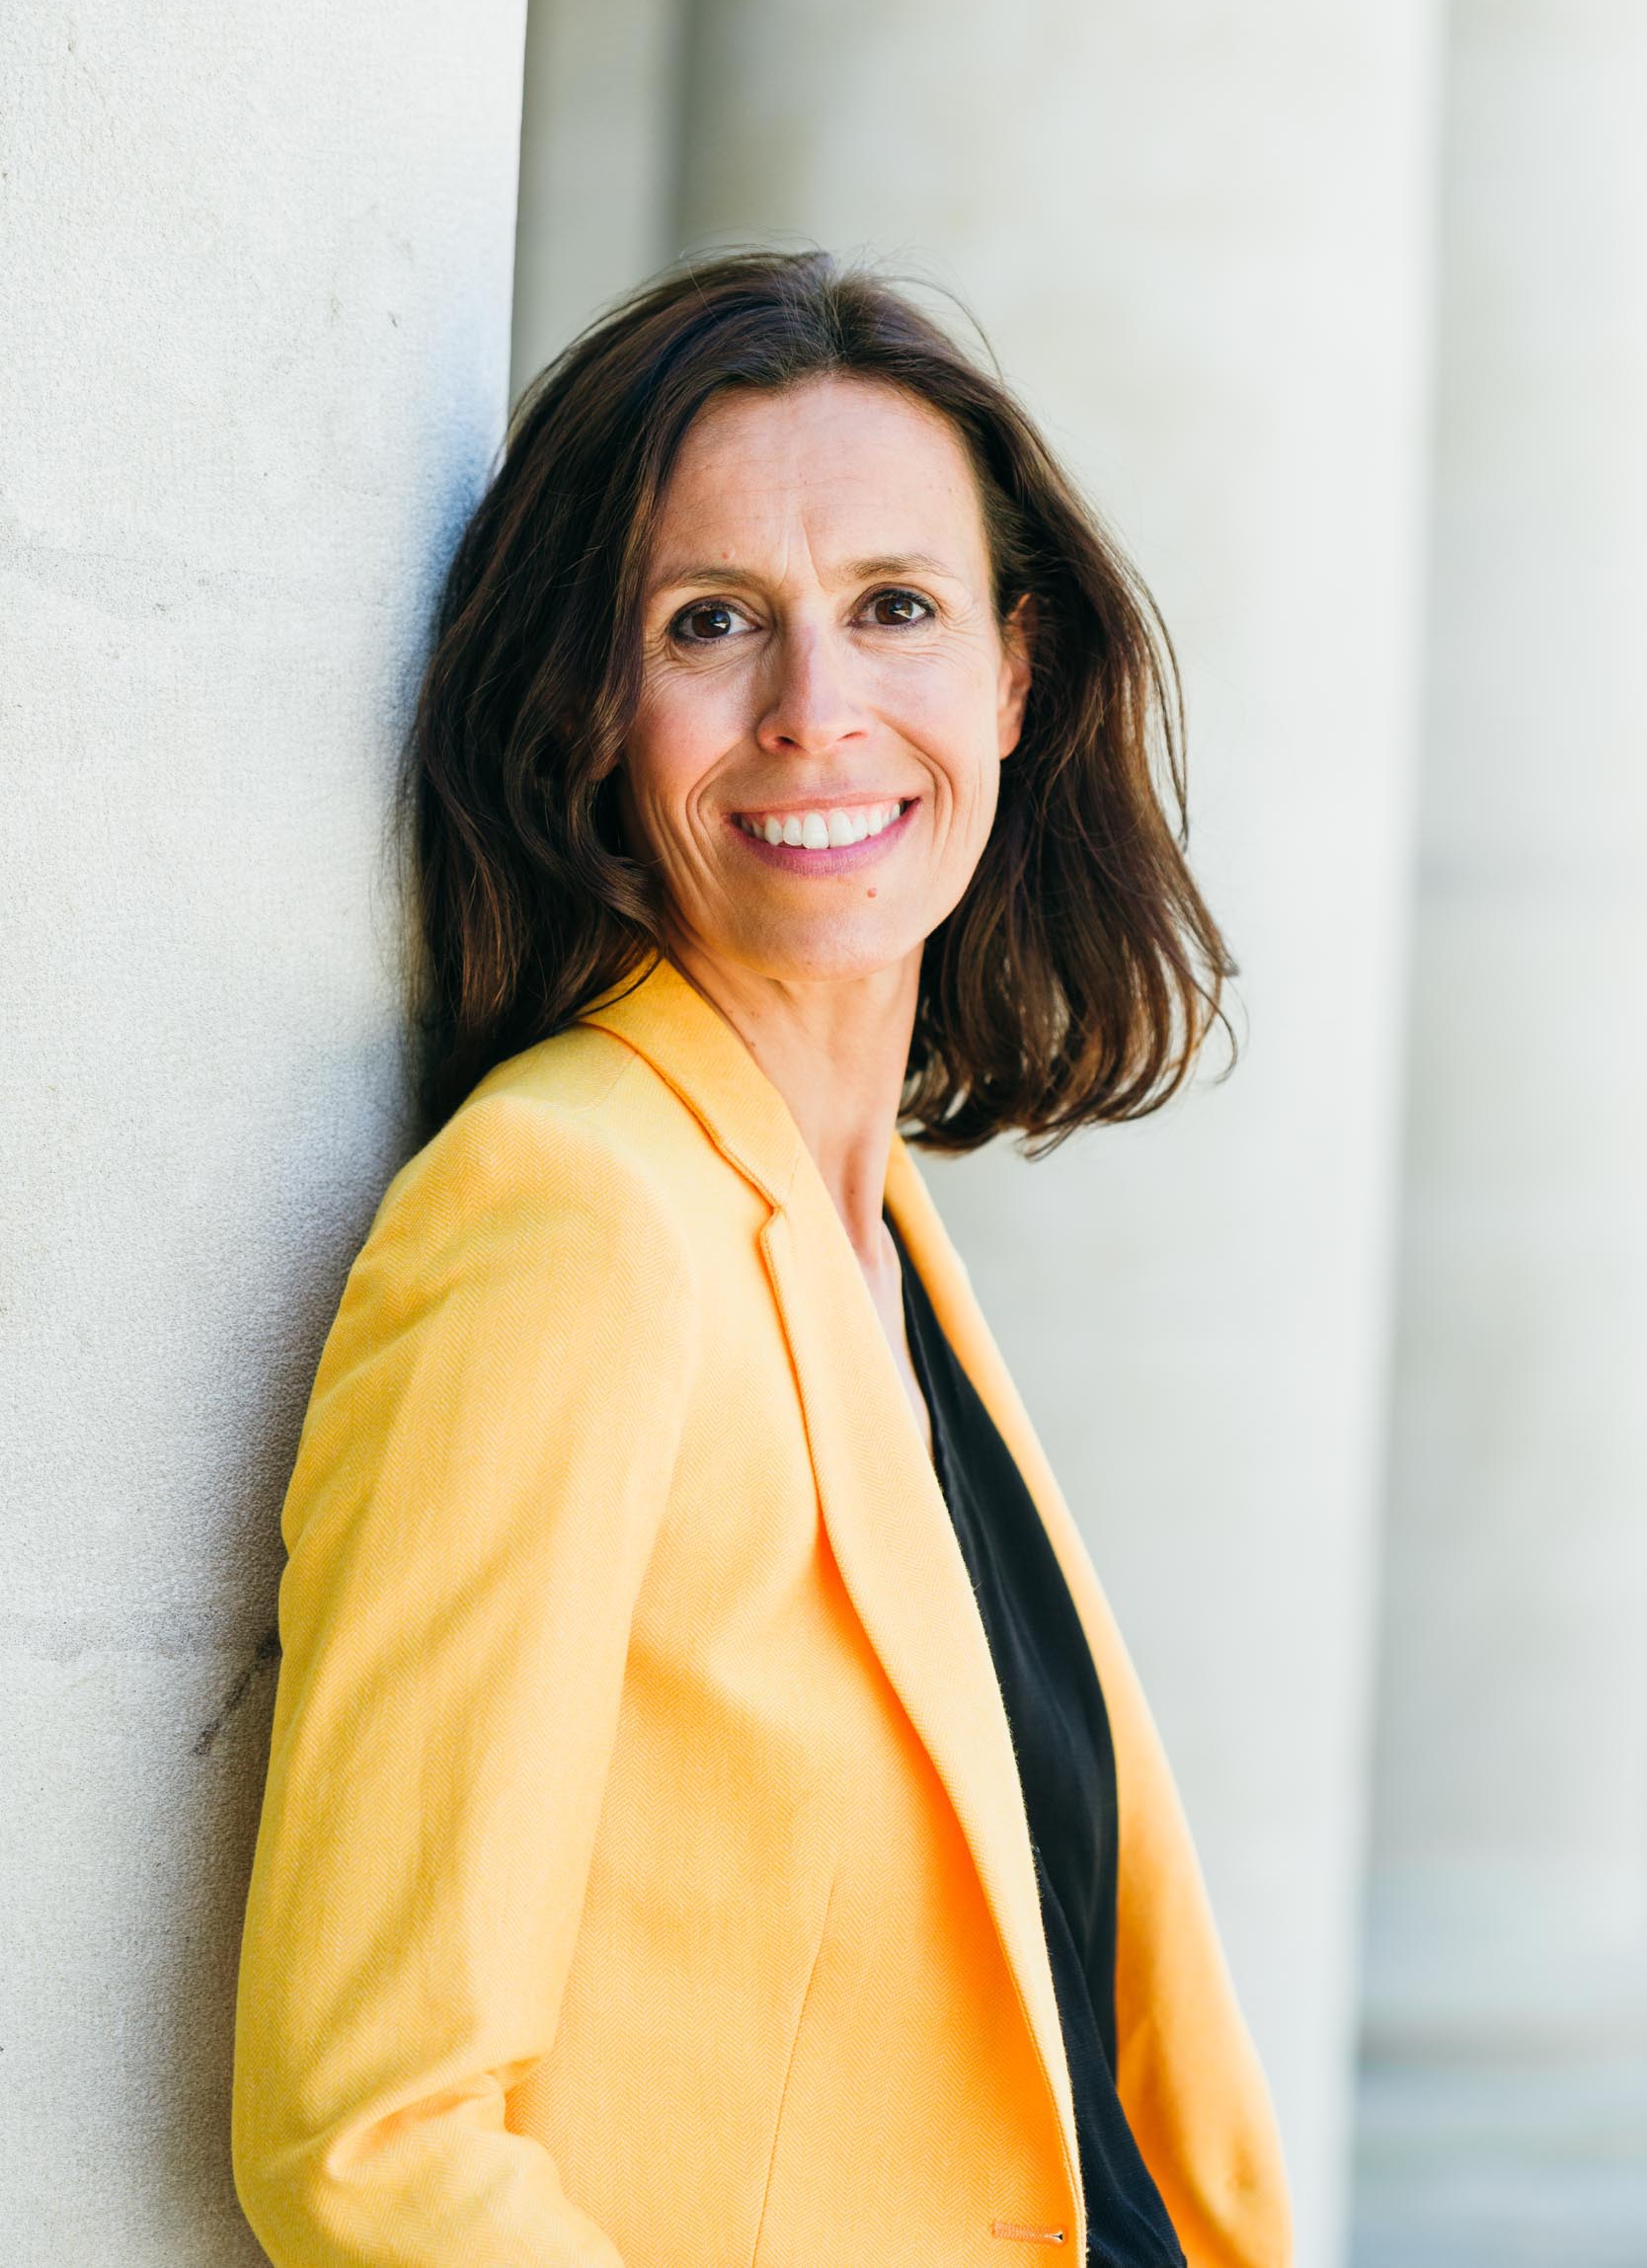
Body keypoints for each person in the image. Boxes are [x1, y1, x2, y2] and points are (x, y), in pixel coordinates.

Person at [231, 248, 1293, 2268]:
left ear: (1011, 671)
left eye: (895, 607)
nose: (818, 714)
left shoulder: (873, 1218)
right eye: (713, 623)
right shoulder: (562, 1220)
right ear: (597, 702)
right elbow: (370, 2130)